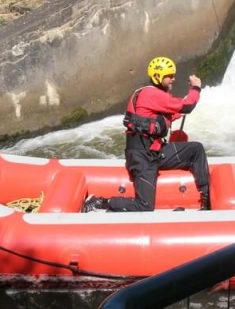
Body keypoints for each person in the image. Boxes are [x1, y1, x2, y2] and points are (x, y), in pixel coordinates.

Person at [83, 56, 211, 212]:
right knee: (144, 207)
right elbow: (188, 105)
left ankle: (207, 201)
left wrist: (177, 113)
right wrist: (196, 88)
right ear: (158, 77)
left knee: (196, 150)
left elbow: (163, 116)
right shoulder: (152, 94)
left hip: (156, 151)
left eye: (173, 75)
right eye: (169, 76)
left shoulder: (151, 94)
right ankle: (100, 202)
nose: (173, 79)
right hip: (142, 157)